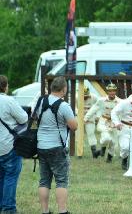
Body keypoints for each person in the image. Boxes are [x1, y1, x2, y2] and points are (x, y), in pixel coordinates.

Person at [37, 76, 78, 214]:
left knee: (44, 181)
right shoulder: (64, 106)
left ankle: (45, 211)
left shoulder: (40, 101)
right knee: (61, 181)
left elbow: (35, 119)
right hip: (57, 147)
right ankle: (62, 211)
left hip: (41, 146)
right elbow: (74, 126)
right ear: (64, 89)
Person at [0, 75, 28, 214]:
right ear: (5, 86)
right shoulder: (8, 100)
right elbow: (24, 118)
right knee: (10, 176)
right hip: (8, 145)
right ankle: (9, 208)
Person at [84, 83, 121, 163]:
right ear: (107, 91)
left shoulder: (119, 101)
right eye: (110, 91)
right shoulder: (101, 100)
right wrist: (86, 118)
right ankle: (102, 150)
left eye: (113, 91)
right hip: (104, 122)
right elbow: (93, 109)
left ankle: (109, 158)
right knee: (106, 138)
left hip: (114, 123)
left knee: (113, 142)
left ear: (115, 92)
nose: (112, 93)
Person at [77, 87, 100, 158]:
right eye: (84, 96)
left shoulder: (94, 97)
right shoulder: (76, 97)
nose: (85, 98)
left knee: (91, 133)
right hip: (79, 118)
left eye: (86, 96)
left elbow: (99, 106)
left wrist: (97, 116)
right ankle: (79, 153)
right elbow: (74, 107)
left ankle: (94, 152)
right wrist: (79, 115)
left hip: (90, 118)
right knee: (79, 135)